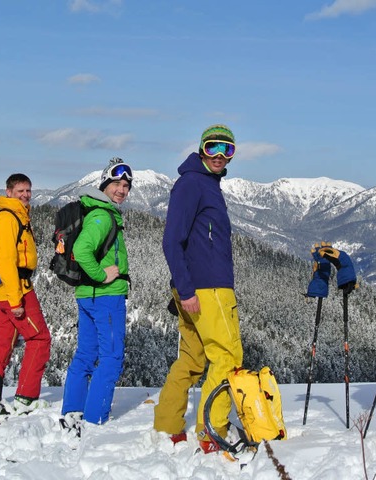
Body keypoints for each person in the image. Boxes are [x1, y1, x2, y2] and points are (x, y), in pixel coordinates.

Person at [153, 124, 243, 452]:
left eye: (227, 149)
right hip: (207, 288)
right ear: (201, 149)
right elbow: (171, 241)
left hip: (198, 287)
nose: (220, 155)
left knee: (192, 359)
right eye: (213, 147)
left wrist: (183, 287)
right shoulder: (193, 184)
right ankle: (212, 430)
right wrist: (187, 289)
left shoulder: (205, 183)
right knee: (227, 356)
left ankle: (167, 424)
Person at [60, 157, 132, 434]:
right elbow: (81, 249)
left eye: (126, 185)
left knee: (87, 353)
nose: (122, 190)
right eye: (117, 183)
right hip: (106, 296)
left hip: (87, 295)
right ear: (105, 184)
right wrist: (103, 276)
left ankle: (72, 410)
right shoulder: (102, 215)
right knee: (111, 356)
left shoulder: (95, 210)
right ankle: (94, 418)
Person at [0, 173, 52, 417]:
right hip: (15, 290)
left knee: (2, 343)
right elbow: (6, 260)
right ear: (8, 192)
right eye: (20, 190)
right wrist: (15, 300)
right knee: (40, 339)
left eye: (28, 190)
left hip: (5, 291)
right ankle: (26, 398)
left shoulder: (18, 215)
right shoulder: (7, 218)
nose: (25, 195)